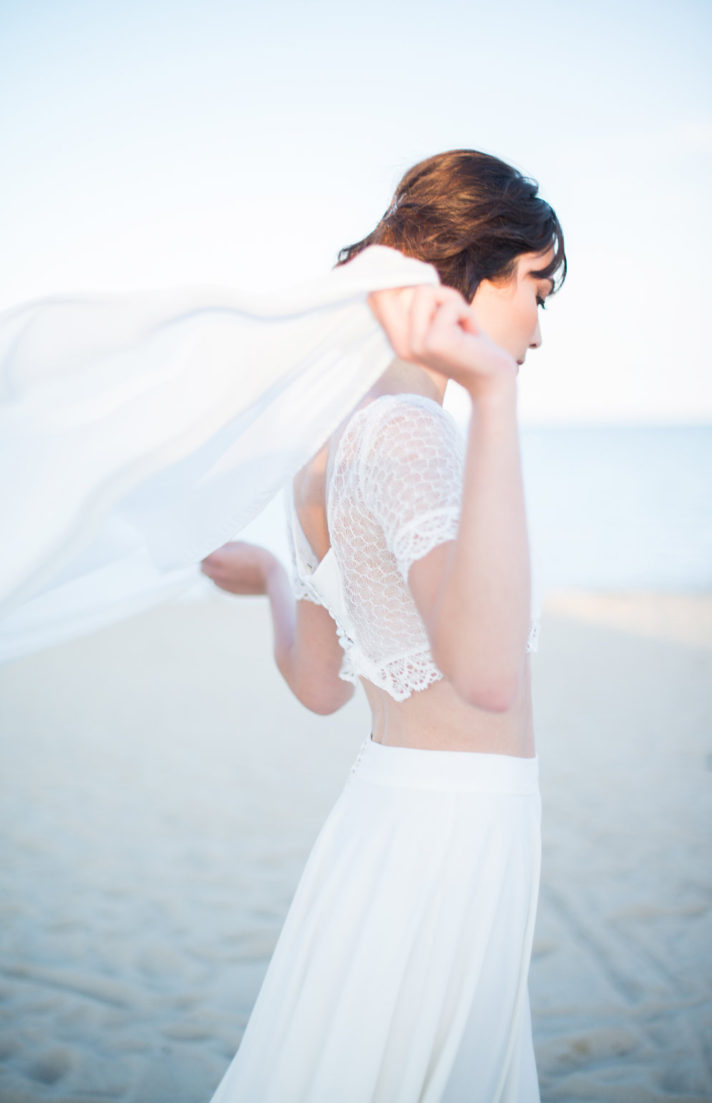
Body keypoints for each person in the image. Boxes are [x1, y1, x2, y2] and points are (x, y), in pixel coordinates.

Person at [200, 149, 567, 1102]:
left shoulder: (327, 447)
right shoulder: (413, 432)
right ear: (468, 274)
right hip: (452, 835)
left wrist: (280, 582)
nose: (537, 323)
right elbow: (487, 675)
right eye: (536, 285)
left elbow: (322, 686)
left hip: (386, 823)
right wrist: (493, 395)